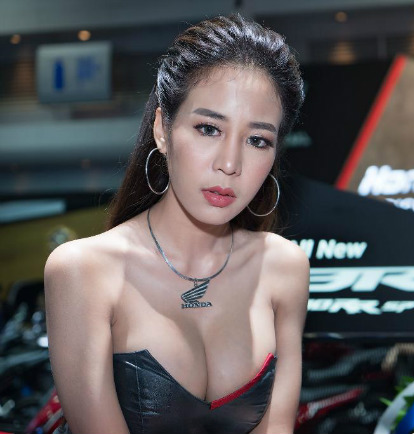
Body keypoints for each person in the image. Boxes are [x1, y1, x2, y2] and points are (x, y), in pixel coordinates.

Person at [44, 14, 308, 434]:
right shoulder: (84, 271)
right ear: (162, 130)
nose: (229, 164)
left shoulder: (284, 268)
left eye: (257, 140)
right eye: (208, 128)